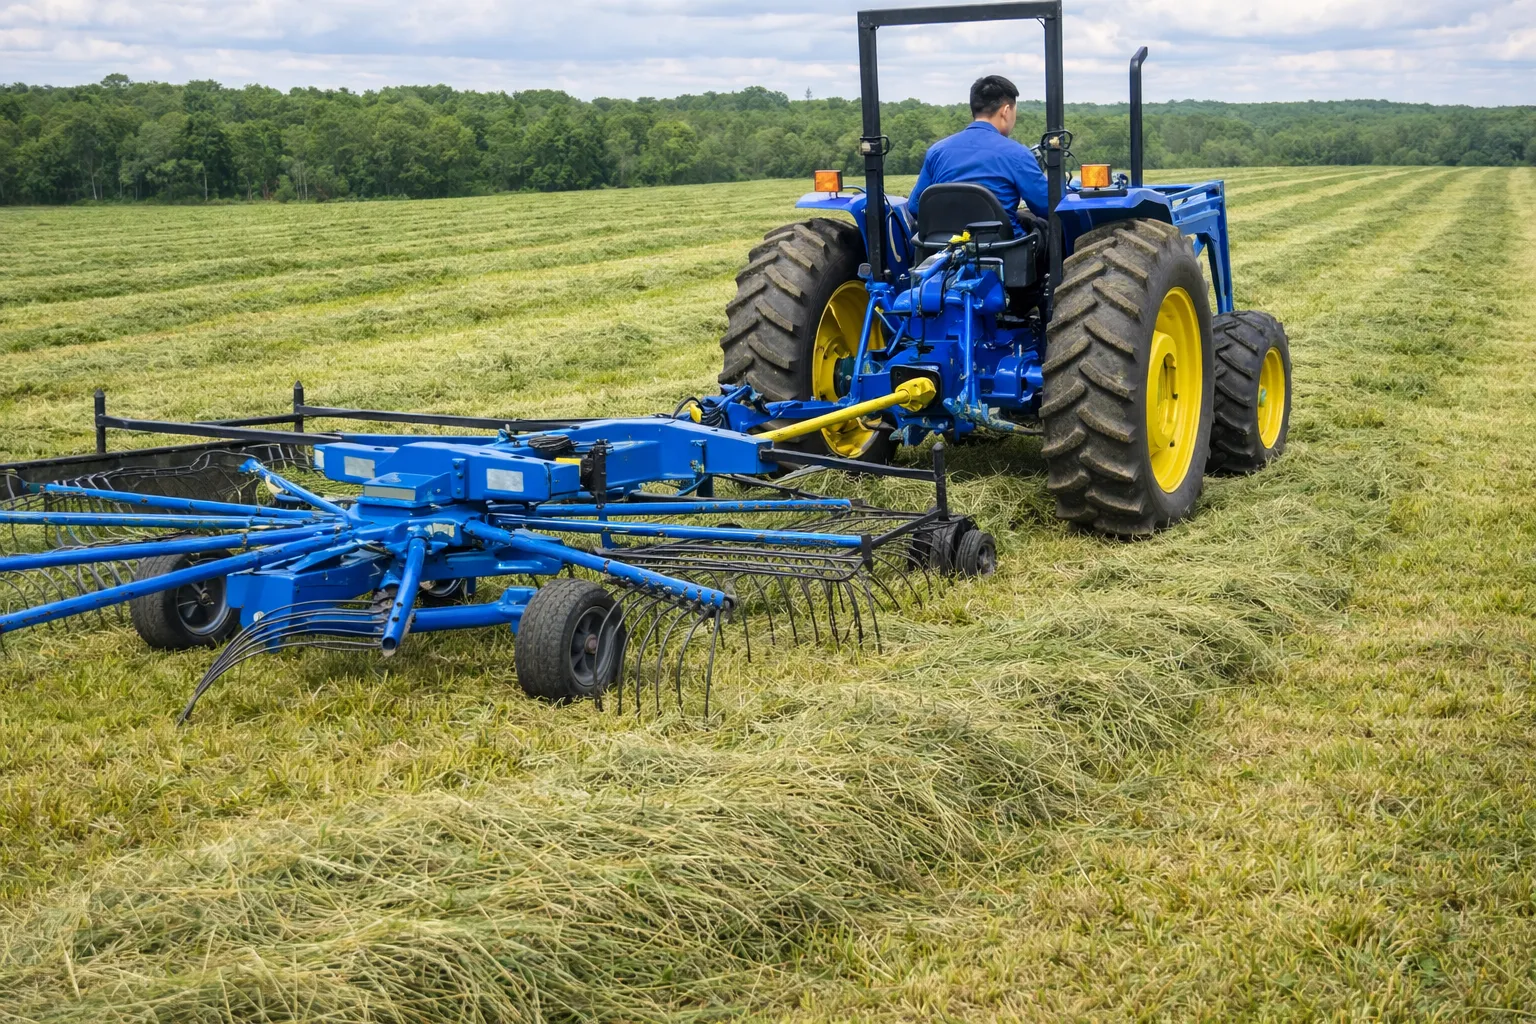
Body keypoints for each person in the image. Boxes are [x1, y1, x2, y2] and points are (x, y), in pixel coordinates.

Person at [907, 75, 1049, 235]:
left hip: (945, 247)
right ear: (1006, 111)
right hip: (1003, 250)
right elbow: (1047, 206)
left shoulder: (936, 151)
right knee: (1044, 229)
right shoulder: (1017, 154)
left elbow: (914, 206)